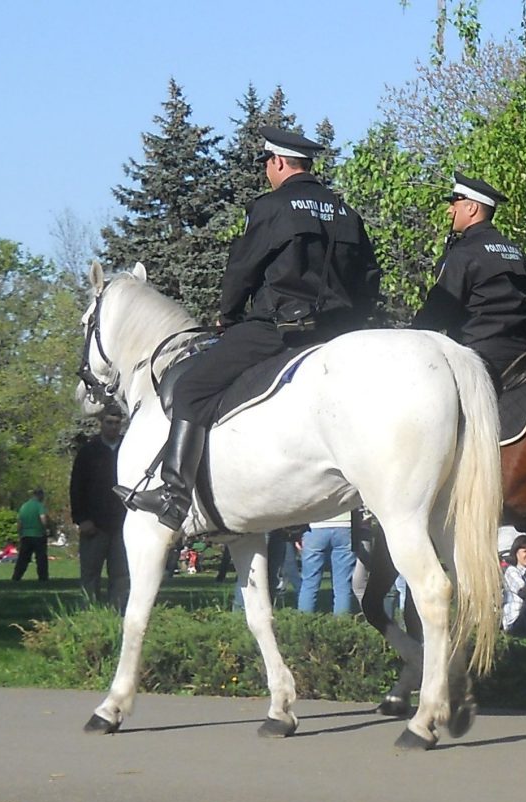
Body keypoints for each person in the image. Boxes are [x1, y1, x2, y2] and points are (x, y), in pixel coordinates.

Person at [117, 125, 381, 530]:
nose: (266, 172)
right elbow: (369, 278)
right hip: (339, 334)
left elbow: (243, 268)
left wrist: (229, 314)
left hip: (280, 329)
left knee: (192, 387)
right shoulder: (347, 213)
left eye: (267, 164)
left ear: (277, 162)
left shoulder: (272, 207)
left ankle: (173, 496)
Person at [413, 171, 526, 389]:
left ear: (471, 208)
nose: (449, 210)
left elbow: (440, 310)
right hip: (524, 350)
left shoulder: (464, 252)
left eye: (455, 203)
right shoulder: (514, 250)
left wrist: (411, 333)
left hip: (478, 353)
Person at [70, 410, 129, 610]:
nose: (113, 426)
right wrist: (82, 518)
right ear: (101, 423)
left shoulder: (129, 448)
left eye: (117, 423)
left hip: (122, 524)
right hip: (94, 524)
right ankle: (89, 612)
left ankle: (118, 611)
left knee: (121, 574)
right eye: (109, 422)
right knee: (90, 574)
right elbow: (76, 487)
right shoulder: (89, 451)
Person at [298, 512, 358, 615]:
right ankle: (342, 624)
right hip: (345, 524)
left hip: (314, 525)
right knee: (343, 585)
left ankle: (303, 622)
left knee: (309, 583)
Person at [12, 488, 50, 582]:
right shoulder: (39, 506)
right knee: (41, 558)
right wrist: (46, 529)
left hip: (26, 536)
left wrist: (20, 534)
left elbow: (20, 522)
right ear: (40, 495)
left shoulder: (24, 506)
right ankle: (43, 578)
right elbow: (43, 518)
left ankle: (16, 577)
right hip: (38, 535)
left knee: (23, 558)